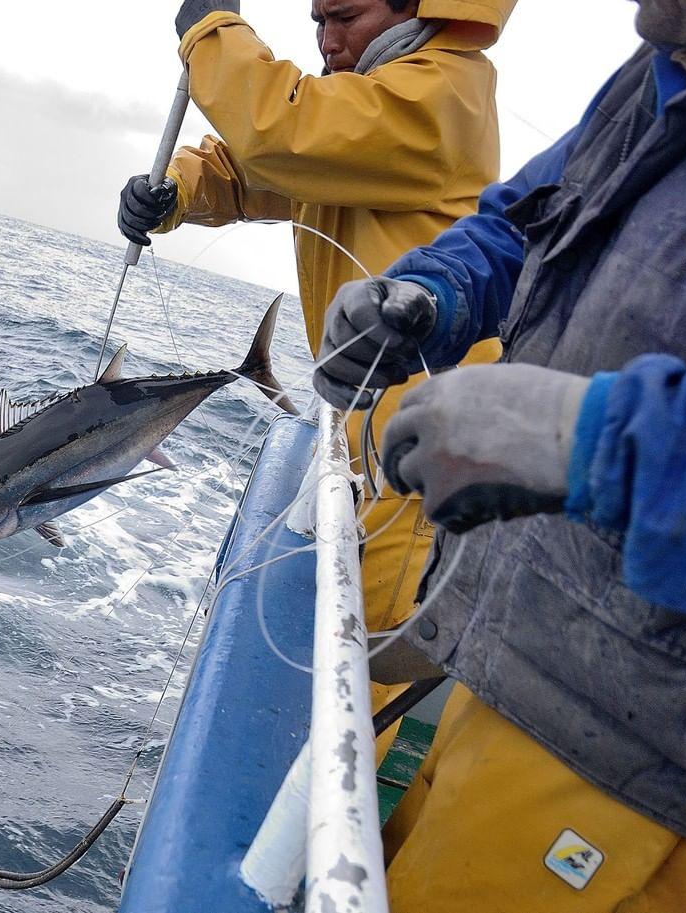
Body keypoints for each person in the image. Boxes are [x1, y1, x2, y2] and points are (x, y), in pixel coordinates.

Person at [315, 1, 686, 908]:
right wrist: (428, 294)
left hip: (648, 778)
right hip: (506, 655)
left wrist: (593, 444)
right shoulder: (651, 78)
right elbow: (521, 223)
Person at [119, 0, 516, 758]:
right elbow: (251, 173)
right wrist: (174, 191)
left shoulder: (441, 92)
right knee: (343, 672)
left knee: (358, 713)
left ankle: (336, 863)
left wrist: (210, 29)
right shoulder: (367, 107)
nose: (327, 40)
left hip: (424, 467)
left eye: (345, 17)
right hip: (372, 443)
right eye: (316, 23)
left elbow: (282, 133)